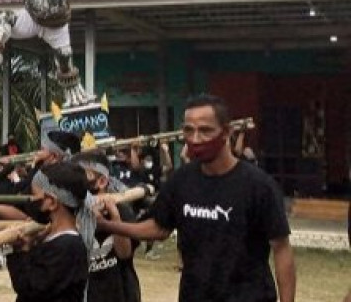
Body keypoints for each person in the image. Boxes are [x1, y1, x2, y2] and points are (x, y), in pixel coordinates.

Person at [96, 94, 296, 302]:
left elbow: (281, 248)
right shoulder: (181, 181)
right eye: (189, 130)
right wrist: (109, 225)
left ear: (226, 132)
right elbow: (159, 228)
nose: (195, 139)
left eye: (205, 130)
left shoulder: (259, 186)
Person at [5, 162, 91, 302]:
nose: (32, 201)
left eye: (35, 196)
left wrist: (22, 250)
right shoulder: (51, 239)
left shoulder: (68, 246)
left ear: (51, 202)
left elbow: (30, 288)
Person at [73, 151, 139, 302]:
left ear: (101, 181)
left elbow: (124, 254)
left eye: (81, 177)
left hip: (120, 293)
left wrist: (114, 218)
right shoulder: (72, 212)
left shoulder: (121, 211)